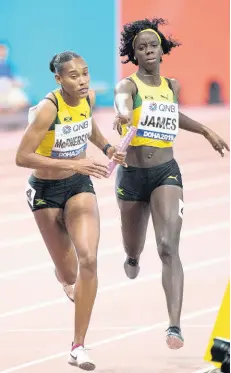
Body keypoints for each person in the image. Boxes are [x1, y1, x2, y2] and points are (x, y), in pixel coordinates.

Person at [113, 18, 229, 350]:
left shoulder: (172, 86)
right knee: (132, 250)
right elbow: (122, 108)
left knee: (167, 247)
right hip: (133, 177)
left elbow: (174, 115)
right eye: (141, 48)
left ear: (162, 49)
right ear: (134, 55)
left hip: (166, 172)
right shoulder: (128, 87)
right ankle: (132, 257)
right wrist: (122, 119)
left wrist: (206, 131)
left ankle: (174, 326)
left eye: (153, 45)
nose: (148, 50)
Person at [15, 50, 126, 370]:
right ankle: (62, 275)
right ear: (59, 79)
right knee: (69, 275)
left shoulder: (88, 98)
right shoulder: (48, 110)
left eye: (85, 73)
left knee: (89, 258)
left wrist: (107, 148)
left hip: (78, 187)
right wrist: (74, 162)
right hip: (45, 192)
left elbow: (88, 126)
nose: (82, 80)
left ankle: (78, 346)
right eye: (74, 76)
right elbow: (22, 157)